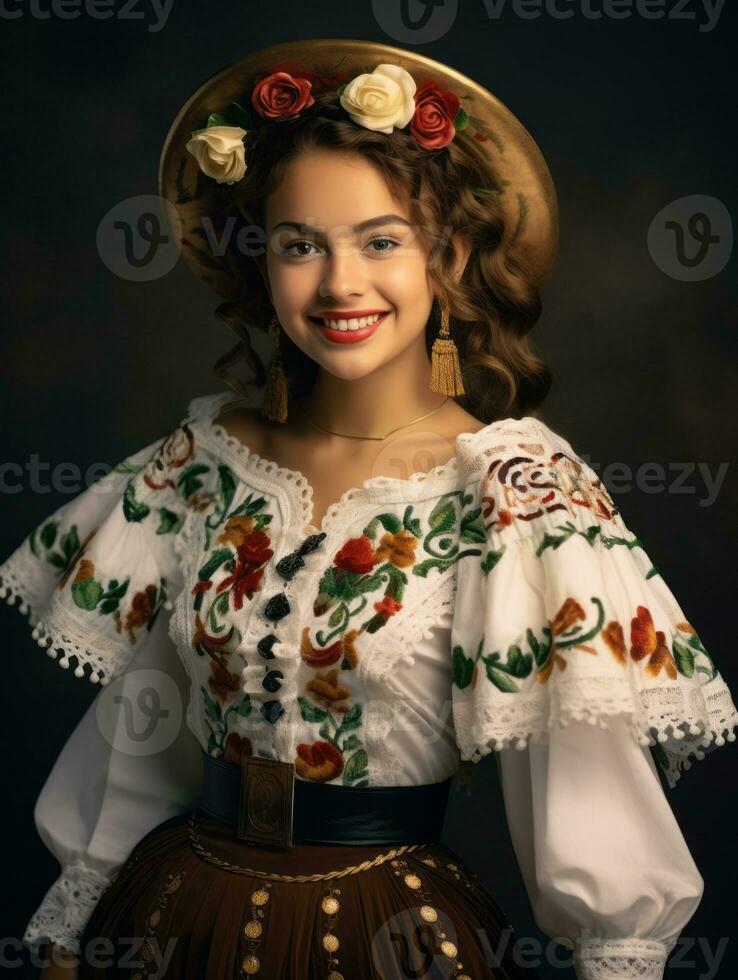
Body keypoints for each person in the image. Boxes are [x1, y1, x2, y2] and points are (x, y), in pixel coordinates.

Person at [1, 39, 735, 980]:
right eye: (301, 245)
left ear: (451, 255)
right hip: (175, 922)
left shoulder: (510, 492)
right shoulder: (204, 463)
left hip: (387, 933)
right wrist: (76, 914)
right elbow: (146, 724)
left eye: (381, 240)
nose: (340, 282)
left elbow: (584, 791)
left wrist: (618, 954)